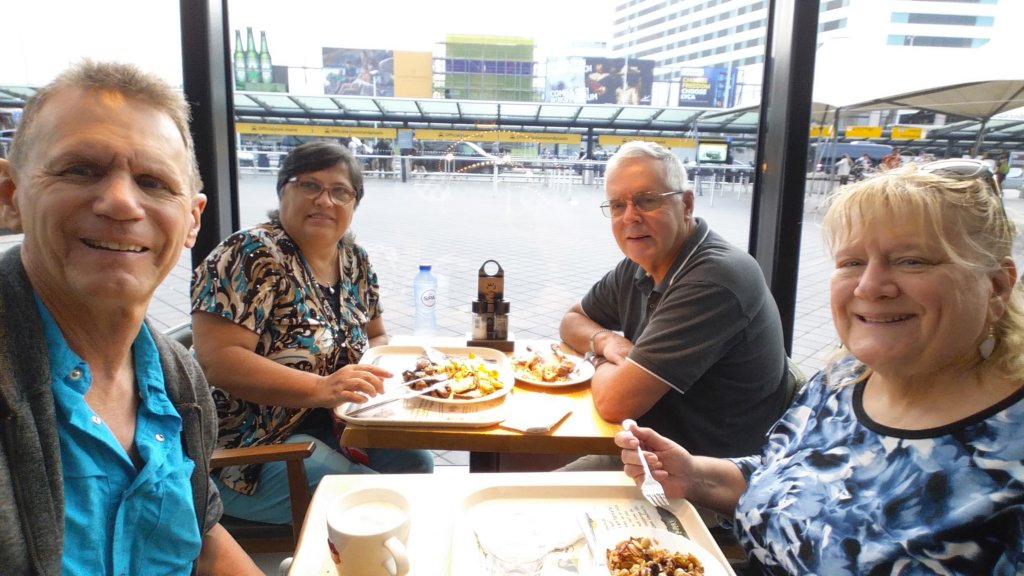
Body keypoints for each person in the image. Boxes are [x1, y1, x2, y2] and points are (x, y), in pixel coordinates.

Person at [616, 160, 1024, 574]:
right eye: (852, 262)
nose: (870, 286)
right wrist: (693, 475)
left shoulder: (1010, 456)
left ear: (997, 287)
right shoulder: (843, 380)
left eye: (912, 261)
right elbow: (784, 477)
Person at [0, 60, 260, 574]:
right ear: (11, 197)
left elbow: (200, 534)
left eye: (153, 182)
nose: (121, 202)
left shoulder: (177, 379)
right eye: (80, 169)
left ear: (192, 221)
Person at [191, 141, 433, 525]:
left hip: (337, 421)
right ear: (282, 190)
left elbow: (377, 337)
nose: (324, 200)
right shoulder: (251, 254)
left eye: (340, 191)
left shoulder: (354, 260)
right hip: (248, 447)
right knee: (375, 499)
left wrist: (375, 383)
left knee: (415, 462)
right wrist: (322, 388)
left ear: (354, 204)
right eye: (309, 185)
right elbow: (218, 360)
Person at [559, 141, 789, 470]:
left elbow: (614, 402)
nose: (630, 216)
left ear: (687, 204)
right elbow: (572, 320)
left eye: (646, 200)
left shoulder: (714, 279)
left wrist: (592, 358)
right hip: (644, 447)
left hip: (699, 475)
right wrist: (606, 341)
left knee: (520, 497)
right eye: (617, 205)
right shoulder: (639, 263)